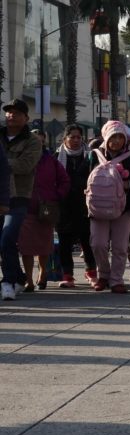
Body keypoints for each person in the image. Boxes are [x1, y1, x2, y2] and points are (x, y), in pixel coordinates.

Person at [79, 120, 130, 294]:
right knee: (98, 244)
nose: (116, 141)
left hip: (124, 209)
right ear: (106, 137)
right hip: (97, 208)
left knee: (120, 246)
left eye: (120, 137)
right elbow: (80, 177)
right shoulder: (93, 156)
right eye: (113, 137)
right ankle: (103, 275)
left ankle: (116, 280)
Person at [0, 99, 42, 300]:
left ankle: (7, 281)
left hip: (18, 196)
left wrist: (2, 164)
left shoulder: (33, 140)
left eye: (16, 113)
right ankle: (18, 277)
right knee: (3, 241)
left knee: (8, 237)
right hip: (0, 194)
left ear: (26, 118)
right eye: (8, 112)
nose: (11, 115)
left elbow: (25, 165)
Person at [19, 130, 70, 291]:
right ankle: (28, 279)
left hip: (47, 208)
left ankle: (42, 274)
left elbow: (64, 181)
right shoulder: (22, 159)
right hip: (25, 207)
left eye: (40, 141)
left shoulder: (52, 161)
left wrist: (56, 195)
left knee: (44, 245)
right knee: (26, 246)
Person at [55, 124, 97, 288]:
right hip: (63, 205)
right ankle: (67, 275)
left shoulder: (91, 156)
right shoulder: (56, 157)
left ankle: (91, 272)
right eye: (72, 137)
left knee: (88, 241)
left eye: (79, 137)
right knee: (64, 242)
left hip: (85, 205)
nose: (76, 140)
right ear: (64, 139)